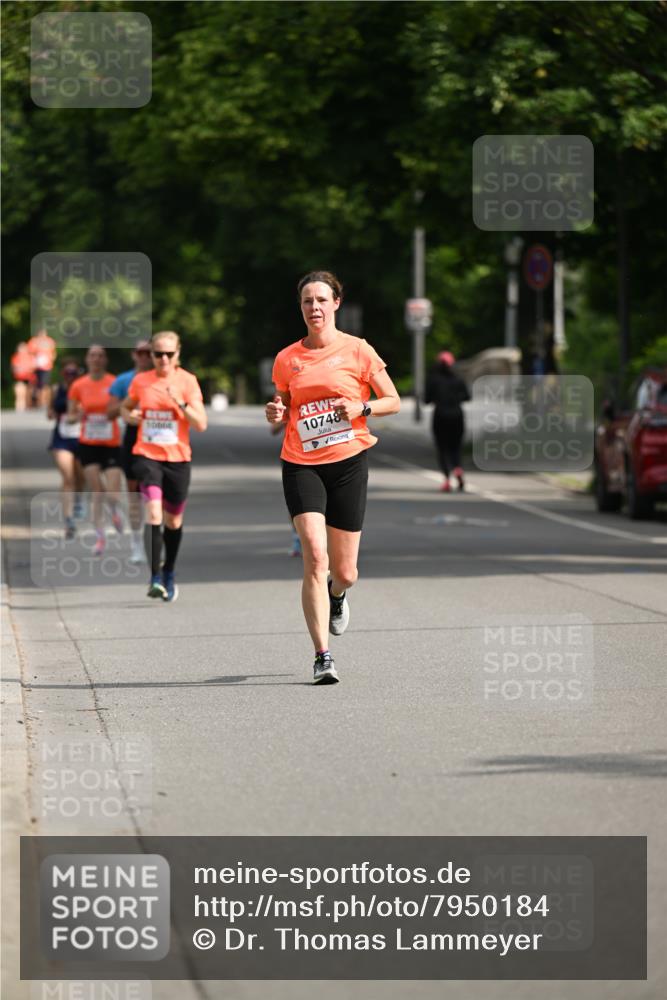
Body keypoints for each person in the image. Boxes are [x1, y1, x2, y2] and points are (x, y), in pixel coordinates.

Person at [265, 270, 400, 685]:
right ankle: (322, 655)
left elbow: (392, 400)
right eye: (308, 301)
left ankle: (337, 594)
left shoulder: (358, 351)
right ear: (300, 307)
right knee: (315, 557)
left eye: (322, 300)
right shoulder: (288, 358)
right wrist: (276, 415)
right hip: (301, 461)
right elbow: (283, 408)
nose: (315, 308)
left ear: (336, 304)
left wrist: (362, 409)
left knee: (345, 572)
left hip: (348, 462)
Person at [120, 331, 207, 602]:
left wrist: (179, 403)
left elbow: (200, 424)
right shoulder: (141, 381)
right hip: (147, 455)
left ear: (177, 354)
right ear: (151, 355)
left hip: (178, 459)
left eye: (169, 354)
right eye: (158, 354)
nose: (163, 359)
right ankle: (154, 576)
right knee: (154, 514)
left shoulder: (187, 381)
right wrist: (131, 416)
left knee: (173, 520)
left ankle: (169, 570)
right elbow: (125, 408)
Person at [66, 345, 124, 556]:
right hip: (88, 444)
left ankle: (115, 510)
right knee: (97, 491)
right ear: (87, 359)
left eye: (100, 356)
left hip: (111, 444)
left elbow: (123, 408)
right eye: (93, 355)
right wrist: (79, 415)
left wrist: (117, 412)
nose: (97, 359)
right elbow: (70, 416)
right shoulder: (78, 385)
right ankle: (100, 536)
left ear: (105, 360)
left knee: (114, 491)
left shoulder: (114, 382)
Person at [107, 339, 154, 563]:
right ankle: (136, 544)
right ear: (133, 355)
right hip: (132, 437)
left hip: (158, 439)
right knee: (134, 494)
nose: (144, 356)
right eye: (140, 352)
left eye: (148, 352)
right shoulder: (123, 380)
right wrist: (129, 405)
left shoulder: (164, 377)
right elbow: (109, 412)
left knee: (156, 494)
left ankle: (157, 540)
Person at [47, 357, 86, 539]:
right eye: (67, 373)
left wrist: (79, 413)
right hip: (61, 437)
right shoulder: (57, 389)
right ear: (63, 374)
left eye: (73, 373)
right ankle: (68, 519)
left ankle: (79, 498)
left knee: (80, 476)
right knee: (67, 476)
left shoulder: (83, 388)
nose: (70, 376)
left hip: (81, 436)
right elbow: (49, 413)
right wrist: (55, 413)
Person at [424, 350, 470, 492]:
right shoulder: (458, 379)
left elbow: (427, 400)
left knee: (442, 448)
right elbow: (468, 397)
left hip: (440, 416)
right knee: (456, 447)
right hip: (457, 416)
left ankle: (447, 480)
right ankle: (457, 468)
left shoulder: (433, 379)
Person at [27, 329, 57, 408]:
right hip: (36, 367)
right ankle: (37, 402)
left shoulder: (50, 341)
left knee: (45, 384)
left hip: (46, 366)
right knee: (36, 385)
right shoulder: (34, 341)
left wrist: (51, 359)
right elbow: (30, 353)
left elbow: (53, 352)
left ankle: (44, 402)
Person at [10, 342, 36, 411]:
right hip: (19, 378)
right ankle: (19, 407)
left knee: (29, 394)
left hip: (29, 378)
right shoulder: (16, 357)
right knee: (19, 393)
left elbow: (33, 366)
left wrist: (27, 369)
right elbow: (14, 367)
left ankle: (28, 406)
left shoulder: (30, 357)